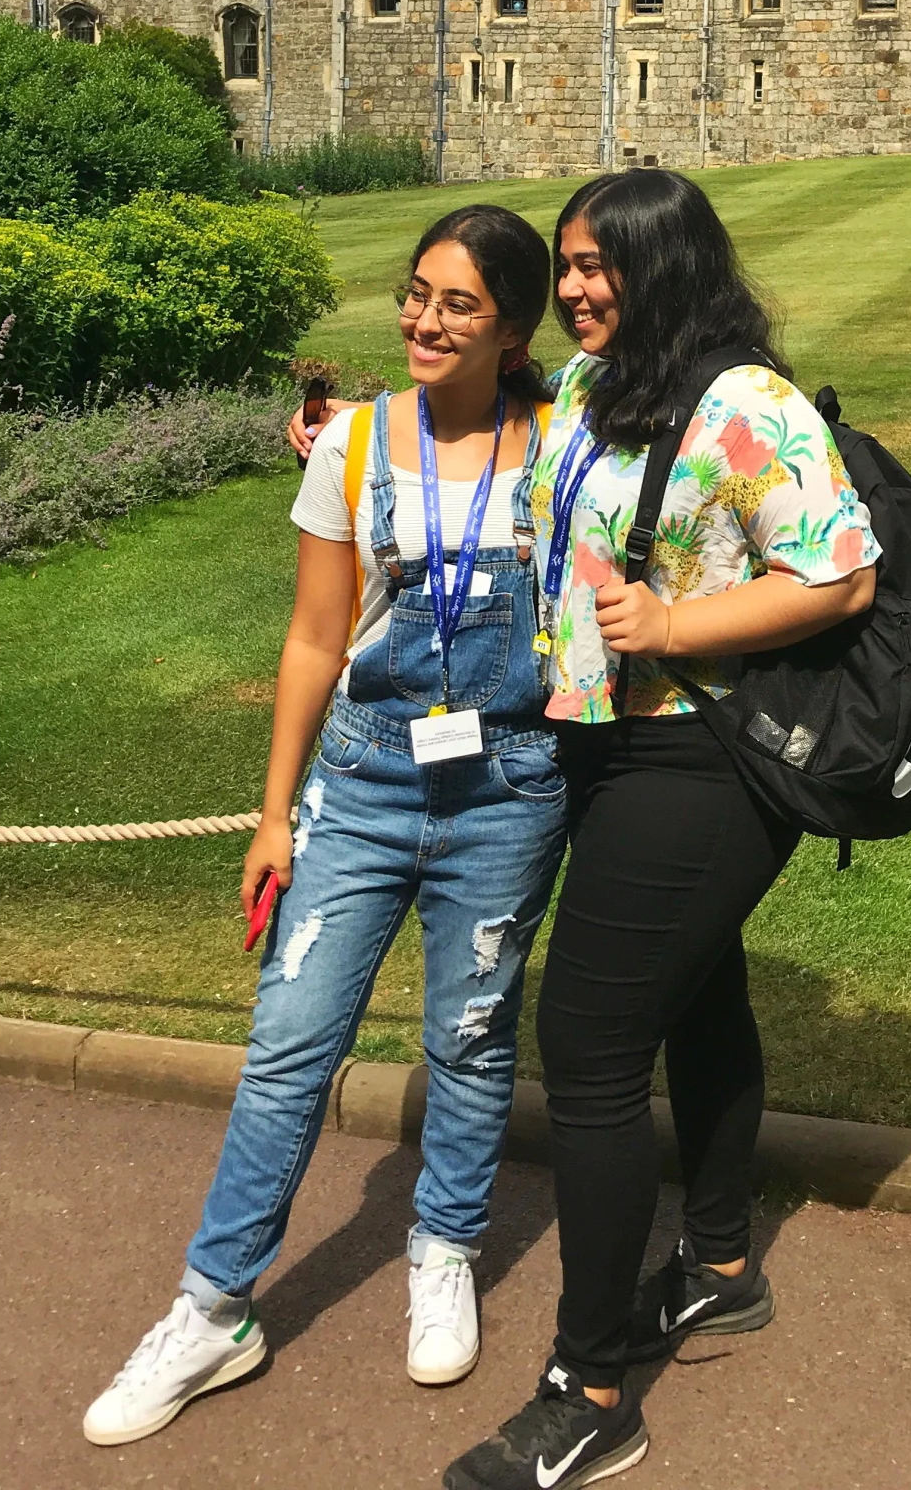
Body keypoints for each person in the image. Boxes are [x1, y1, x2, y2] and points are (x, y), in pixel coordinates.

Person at [82, 205, 564, 1448]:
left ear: (513, 330)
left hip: (508, 790)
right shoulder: (352, 444)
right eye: (415, 294)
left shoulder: (562, 446)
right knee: (293, 1042)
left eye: (458, 304)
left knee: (469, 1035)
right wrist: (273, 814)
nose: (423, 320)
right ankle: (214, 1308)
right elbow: (310, 639)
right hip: (361, 786)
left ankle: (445, 1247)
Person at [443, 169, 880, 1490]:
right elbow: (512, 433)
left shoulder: (748, 404)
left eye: (600, 266)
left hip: (703, 757)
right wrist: (347, 430)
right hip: (604, 740)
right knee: (695, 999)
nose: (575, 287)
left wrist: (680, 626)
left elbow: (843, 570)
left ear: (664, 268)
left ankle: (590, 1391)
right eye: (568, 264)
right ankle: (725, 1263)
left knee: (586, 1037)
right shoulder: (592, 382)